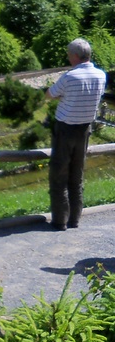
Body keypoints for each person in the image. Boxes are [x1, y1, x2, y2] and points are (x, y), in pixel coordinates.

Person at [45, 38, 107, 231]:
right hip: (85, 129)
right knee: (77, 175)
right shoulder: (101, 75)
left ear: (74, 56)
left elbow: (49, 95)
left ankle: (59, 220)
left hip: (65, 129)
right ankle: (74, 219)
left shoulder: (69, 77)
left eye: (68, 54)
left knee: (59, 174)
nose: (68, 57)